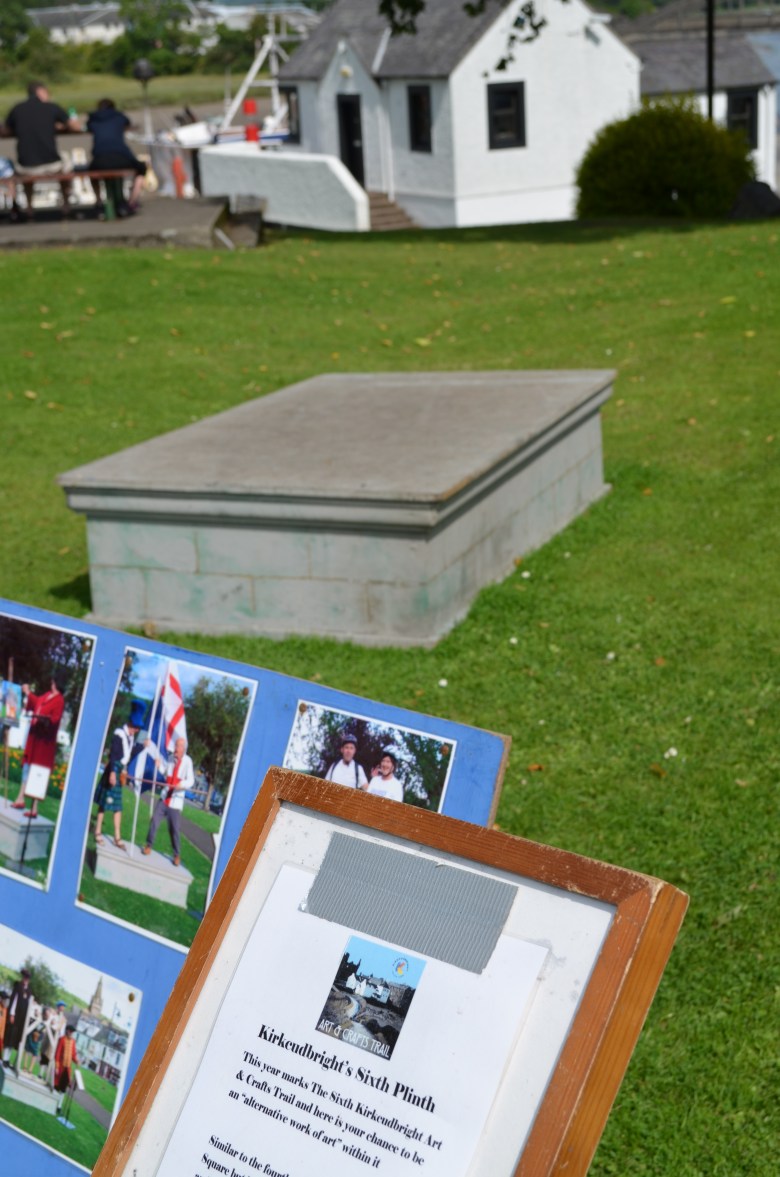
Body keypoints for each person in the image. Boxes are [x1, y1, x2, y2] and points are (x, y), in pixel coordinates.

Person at [5, 81, 80, 220]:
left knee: (23, 166)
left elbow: (5, 130)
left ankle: (29, 208)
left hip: (25, 167)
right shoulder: (51, 108)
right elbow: (76, 127)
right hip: (52, 164)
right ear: (40, 92)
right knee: (66, 161)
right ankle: (66, 205)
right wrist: (58, 127)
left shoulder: (17, 109)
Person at [94, 700, 147, 850]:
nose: (136, 731)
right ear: (131, 724)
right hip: (113, 769)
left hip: (119, 770)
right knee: (105, 804)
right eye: (136, 727)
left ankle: (117, 837)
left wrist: (143, 746)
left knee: (117, 806)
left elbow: (128, 756)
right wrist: (112, 772)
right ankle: (97, 832)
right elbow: (113, 755)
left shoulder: (130, 738)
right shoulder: (119, 734)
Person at [11, 675, 66, 819]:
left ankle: (34, 808)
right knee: (27, 767)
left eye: (53, 680)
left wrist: (44, 719)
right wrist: (28, 693)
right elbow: (36, 703)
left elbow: (55, 719)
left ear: (56, 682)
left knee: (38, 772)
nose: (51, 682)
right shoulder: (47, 695)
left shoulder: (59, 700)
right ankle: (20, 798)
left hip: (44, 743)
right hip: (34, 738)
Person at [86, 97, 147, 215]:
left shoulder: (93, 119)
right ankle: (132, 202)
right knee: (141, 168)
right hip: (121, 156)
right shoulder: (119, 116)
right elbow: (127, 123)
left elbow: (88, 127)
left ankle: (98, 202)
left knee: (91, 172)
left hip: (100, 159)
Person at [142, 735, 194, 867]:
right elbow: (166, 773)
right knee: (154, 820)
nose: (175, 748)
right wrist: (159, 766)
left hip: (175, 802)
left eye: (178, 746)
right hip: (165, 798)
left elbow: (191, 780)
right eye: (175, 745)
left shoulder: (188, 761)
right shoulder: (171, 758)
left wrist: (181, 785)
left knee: (174, 830)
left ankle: (176, 855)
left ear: (183, 749)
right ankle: (148, 845)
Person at [2, 967, 32, 1070]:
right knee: (9, 1037)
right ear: (23, 977)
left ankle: (8, 1059)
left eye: (27, 978)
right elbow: (14, 1001)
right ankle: (4, 1058)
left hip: (21, 1019)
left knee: (14, 1039)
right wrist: (12, 1014)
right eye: (25, 977)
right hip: (15, 1016)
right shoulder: (18, 986)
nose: (26, 979)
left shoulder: (29, 991)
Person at [54, 1024, 79, 1111]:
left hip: (67, 1069)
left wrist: (77, 1061)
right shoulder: (62, 1040)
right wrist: (56, 1067)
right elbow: (57, 1054)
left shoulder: (73, 1042)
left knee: (63, 1089)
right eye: (70, 1031)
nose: (71, 1033)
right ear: (67, 1031)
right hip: (60, 1067)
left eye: (72, 1032)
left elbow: (73, 1054)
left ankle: (59, 1106)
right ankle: (53, 1102)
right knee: (56, 1086)